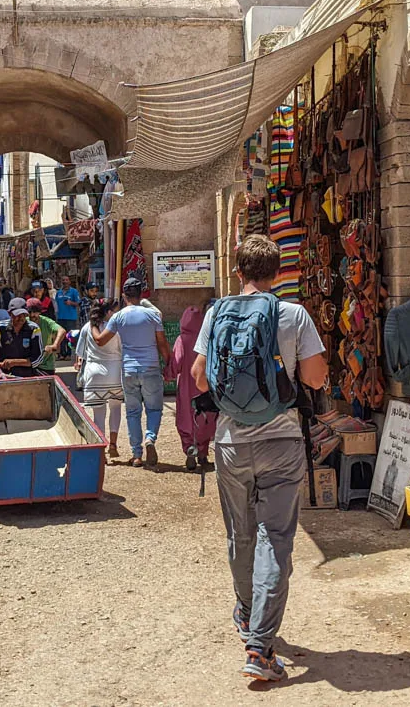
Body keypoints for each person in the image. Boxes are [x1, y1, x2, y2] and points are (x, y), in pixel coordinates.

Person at [191, 235, 328, 683]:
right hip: (282, 442)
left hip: (230, 443)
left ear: (237, 271)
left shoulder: (217, 313)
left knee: (241, 534)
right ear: (279, 273)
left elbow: (197, 380)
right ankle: (260, 646)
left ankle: (248, 613)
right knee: (276, 536)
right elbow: (314, 375)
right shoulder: (293, 314)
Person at [95, 278, 172, 468]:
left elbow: (101, 341)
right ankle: (150, 439)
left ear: (124, 296)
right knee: (154, 409)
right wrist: (169, 362)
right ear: (141, 294)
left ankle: (137, 455)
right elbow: (162, 343)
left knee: (132, 412)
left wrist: (92, 325)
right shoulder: (152, 316)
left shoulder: (118, 317)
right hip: (150, 367)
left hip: (129, 369)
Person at [165, 305, 217, 471]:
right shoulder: (208, 338)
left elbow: (177, 361)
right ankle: (203, 453)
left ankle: (189, 450)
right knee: (206, 418)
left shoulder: (182, 339)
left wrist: (168, 374)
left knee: (186, 417)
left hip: (186, 386)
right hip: (204, 384)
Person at [75, 299, 124, 464]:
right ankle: (114, 445)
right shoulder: (115, 328)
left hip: (94, 374)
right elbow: (123, 350)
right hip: (114, 372)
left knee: (98, 414)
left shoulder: (86, 328)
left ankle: (101, 450)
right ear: (109, 312)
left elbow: (80, 353)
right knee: (115, 408)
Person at [0, 297, 45, 377]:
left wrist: (13, 362)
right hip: (5, 376)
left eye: (23, 314)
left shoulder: (34, 329)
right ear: (10, 314)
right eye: (17, 315)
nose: (21, 318)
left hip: (27, 376)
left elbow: (38, 358)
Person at [27, 297, 67, 376]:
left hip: (45, 365)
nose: (32, 315)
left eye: (35, 312)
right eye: (30, 312)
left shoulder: (46, 322)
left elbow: (62, 331)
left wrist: (55, 345)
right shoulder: (24, 321)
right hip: (28, 364)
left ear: (40, 312)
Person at [54, 275, 81, 358]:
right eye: (63, 280)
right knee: (61, 336)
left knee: (70, 337)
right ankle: (62, 354)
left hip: (71, 318)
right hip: (60, 317)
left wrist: (71, 303)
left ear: (69, 282)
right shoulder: (58, 292)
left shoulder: (74, 291)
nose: (65, 282)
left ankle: (69, 354)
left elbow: (79, 303)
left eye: (66, 280)